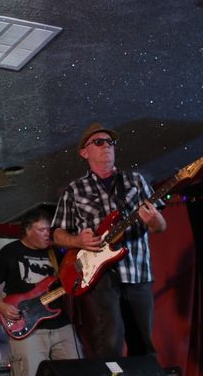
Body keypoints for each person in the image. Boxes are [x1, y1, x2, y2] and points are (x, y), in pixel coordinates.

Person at [51, 123, 167, 360]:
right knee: (111, 337)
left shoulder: (135, 181)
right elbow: (57, 234)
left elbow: (160, 227)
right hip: (99, 276)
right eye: (99, 142)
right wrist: (77, 240)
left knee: (143, 343)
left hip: (137, 273)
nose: (106, 146)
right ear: (84, 152)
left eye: (110, 142)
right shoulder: (74, 190)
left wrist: (154, 220)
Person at [0, 207, 80, 376]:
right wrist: (0, 305)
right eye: (42, 229)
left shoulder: (56, 253)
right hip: (27, 326)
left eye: (49, 230)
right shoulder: (10, 251)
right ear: (28, 230)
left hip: (61, 324)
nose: (48, 234)